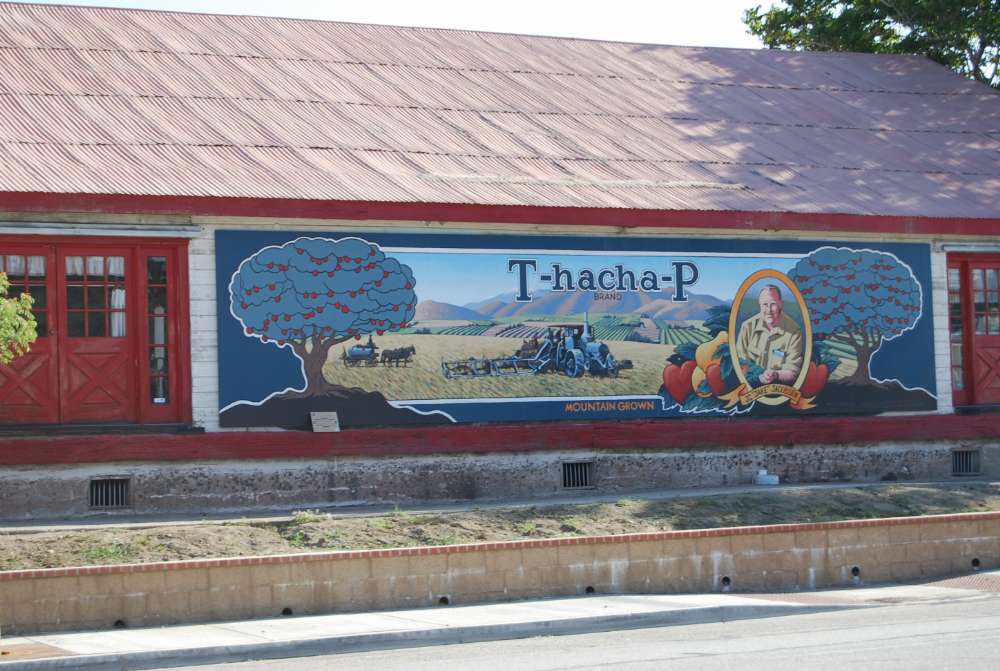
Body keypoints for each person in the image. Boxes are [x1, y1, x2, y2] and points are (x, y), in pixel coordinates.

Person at [736, 284, 803, 386]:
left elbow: (793, 372)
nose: (769, 310)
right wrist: (758, 377)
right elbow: (739, 362)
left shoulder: (794, 331)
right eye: (764, 305)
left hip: (780, 387)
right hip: (750, 384)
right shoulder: (747, 327)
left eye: (773, 304)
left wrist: (775, 375)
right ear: (760, 305)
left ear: (780, 304)